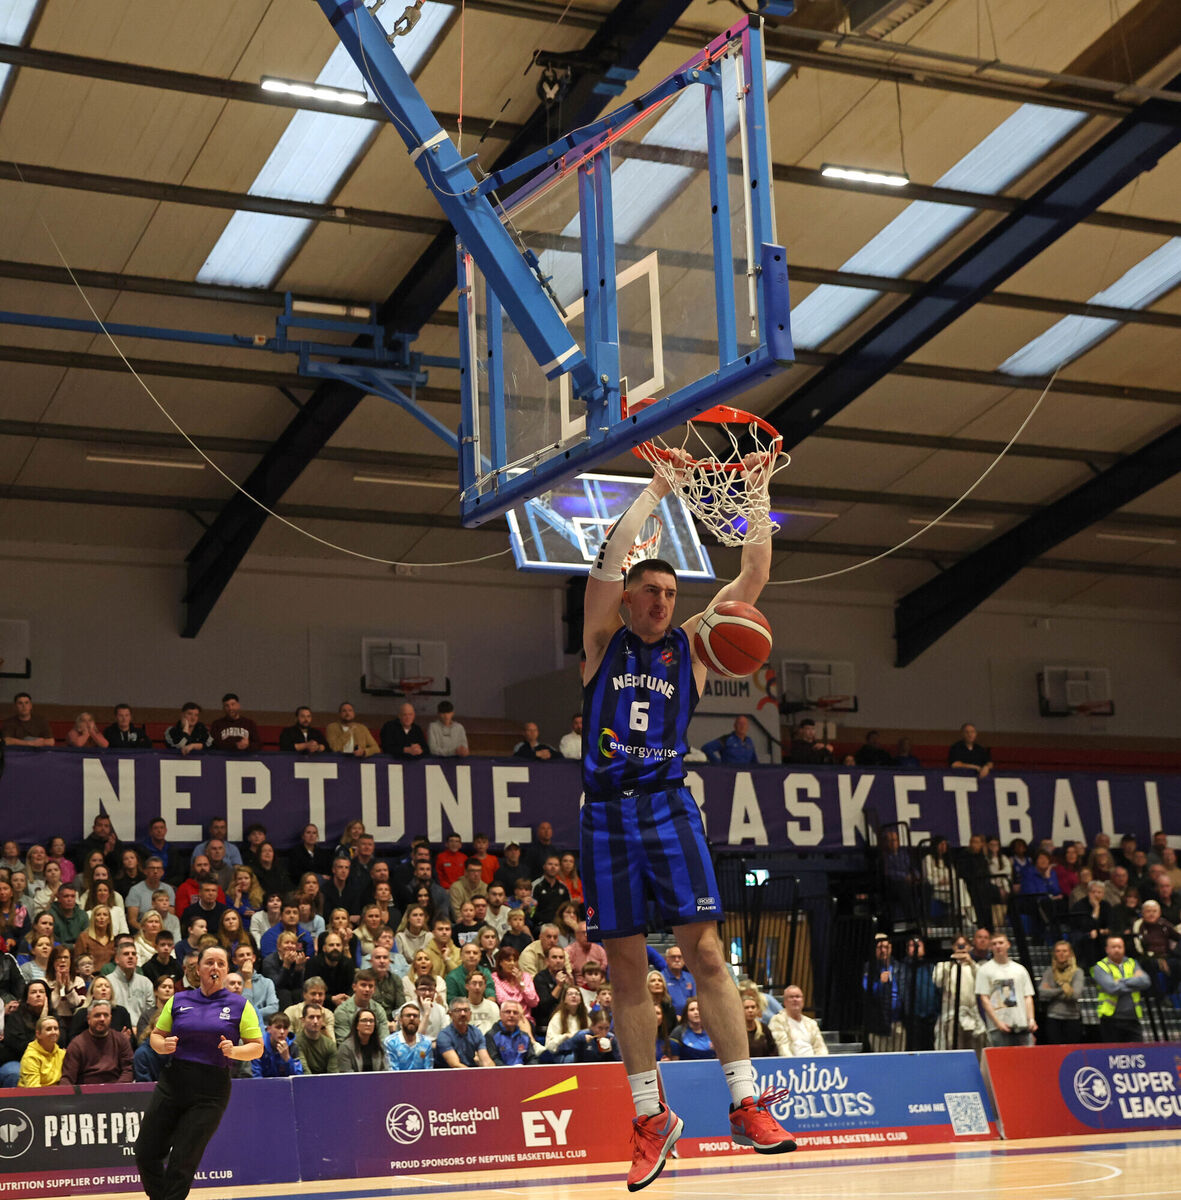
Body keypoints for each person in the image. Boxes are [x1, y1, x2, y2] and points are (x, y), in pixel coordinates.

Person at [581, 475, 795, 1184]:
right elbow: (610, 557)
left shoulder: (696, 645)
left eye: (672, 594)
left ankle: (744, 1103)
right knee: (624, 968)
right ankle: (649, 1117)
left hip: (669, 806)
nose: (663, 602)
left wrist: (756, 493)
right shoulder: (600, 641)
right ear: (630, 596)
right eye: (652, 592)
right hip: (607, 811)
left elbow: (755, 570)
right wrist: (658, 490)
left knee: (705, 951)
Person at [134, 945, 262, 1197]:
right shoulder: (179, 1000)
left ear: (226, 970)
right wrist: (164, 1046)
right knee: (145, 1152)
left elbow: (257, 1048)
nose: (215, 967)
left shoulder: (239, 1005)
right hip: (174, 1082)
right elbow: (156, 1038)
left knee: (182, 1160)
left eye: (221, 964)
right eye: (209, 962)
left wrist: (234, 1051)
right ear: (198, 968)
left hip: (211, 1091)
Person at [975, 933, 1036, 1047]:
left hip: (1022, 1024)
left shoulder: (1019, 969)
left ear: (1008, 945)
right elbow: (984, 998)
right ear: (990, 947)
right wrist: (997, 1023)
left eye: (1001, 943)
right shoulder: (985, 970)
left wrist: (1031, 1019)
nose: (998, 946)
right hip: (999, 1027)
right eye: (994, 944)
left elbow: (1027, 996)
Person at [1092, 934, 1152, 1043]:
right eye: (1113, 947)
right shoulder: (1100, 967)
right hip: (1111, 1019)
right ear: (1107, 949)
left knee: (1137, 1053)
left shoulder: (1132, 963)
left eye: (1120, 947)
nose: (1117, 950)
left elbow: (1146, 982)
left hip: (1133, 1018)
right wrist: (1134, 982)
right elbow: (1112, 988)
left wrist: (1120, 981)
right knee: (1113, 1055)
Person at [932, 937, 985, 1051]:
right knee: (953, 1047)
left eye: (964, 945)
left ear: (970, 947)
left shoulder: (975, 967)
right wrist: (951, 963)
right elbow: (938, 982)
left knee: (974, 1049)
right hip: (951, 1015)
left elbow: (982, 981)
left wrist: (970, 962)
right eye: (958, 945)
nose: (961, 948)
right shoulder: (943, 965)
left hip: (972, 1015)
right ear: (953, 947)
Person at [62, 999, 134, 1083]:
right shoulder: (77, 1044)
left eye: (106, 1015)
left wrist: (116, 1091)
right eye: (97, 1015)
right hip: (86, 1093)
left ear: (110, 1018)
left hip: (116, 1091)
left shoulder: (121, 1040)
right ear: (88, 1019)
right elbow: (68, 1077)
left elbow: (128, 1070)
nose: (102, 1019)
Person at [1038, 940, 1084, 1044]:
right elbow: (1042, 993)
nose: (1061, 953)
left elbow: (1075, 994)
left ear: (1070, 953)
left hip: (1072, 1017)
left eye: (1064, 951)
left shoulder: (1077, 972)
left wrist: (1052, 992)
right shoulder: (1049, 972)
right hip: (1053, 1017)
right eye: (1058, 951)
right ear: (1054, 953)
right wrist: (1063, 989)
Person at [768, 984, 826, 1056]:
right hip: (791, 1064)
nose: (795, 999)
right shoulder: (777, 1020)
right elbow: (782, 1047)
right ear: (785, 1002)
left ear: (803, 1001)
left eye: (798, 997)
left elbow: (820, 1047)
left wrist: (821, 1062)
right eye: (791, 997)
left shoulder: (811, 1023)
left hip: (813, 1064)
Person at [436, 997, 494, 1067]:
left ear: (470, 1014)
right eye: (458, 1010)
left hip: (471, 1072)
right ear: (451, 1014)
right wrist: (473, 1076)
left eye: (466, 1010)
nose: (463, 1014)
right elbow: (455, 1065)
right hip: (449, 1075)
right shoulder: (444, 1036)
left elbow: (486, 1060)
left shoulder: (476, 1032)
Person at [18, 1013, 65, 1086]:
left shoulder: (62, 1054)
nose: (53, 1032)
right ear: (38, 1034)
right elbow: (34, 1089)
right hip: (35, 1095)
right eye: (48, 1029)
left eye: (56, 1028)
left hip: (57, 1094)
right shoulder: (30, 1057)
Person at [385, 1001, 434, 1069]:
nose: (412, 1018)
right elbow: (392, 1073)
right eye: (408, 1015)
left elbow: (428, 1071)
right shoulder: (390, 1042)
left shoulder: (426, 1043)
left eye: (415, 1016)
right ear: (400, 1020)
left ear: (419, 1021)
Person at [252, 1012, 303, 1077]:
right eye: (278, 1027)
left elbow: (298, 1078)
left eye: (285, 1028)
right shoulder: (258, 1047)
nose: (282, 1032)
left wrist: (287, 1059)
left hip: (285, 1086)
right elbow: (256, 1077)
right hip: (264, 1085)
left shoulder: (292, 1047)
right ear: (269, 1029)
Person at [294, 1002, 338, 1074]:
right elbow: (304, 1071)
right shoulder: (296, 1042)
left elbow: (333, 1074)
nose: (315, 1021)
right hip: (305, 1082)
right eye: (311, 1017)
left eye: (318, 1017)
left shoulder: (330, 1044)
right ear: (303, 1020)